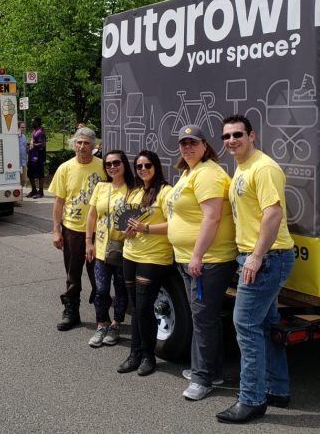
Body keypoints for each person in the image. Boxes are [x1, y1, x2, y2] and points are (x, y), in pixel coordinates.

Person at [216, 114, 295, 425]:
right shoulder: (242, 167)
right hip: (261, 257)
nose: (232, 140)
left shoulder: (263, 168)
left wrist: (256, 256)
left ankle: (251, 400)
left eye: (238, 134)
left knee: (246, 327)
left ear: (252, 136)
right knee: (265, 325)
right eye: (226, 136)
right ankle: (277, 389)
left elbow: (273, 214)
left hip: (267, 258)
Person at [165, 125, 237, 400]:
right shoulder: (189, 172)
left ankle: (202, 379)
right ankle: (212, 370)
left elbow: (212, 218)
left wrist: (196, 255)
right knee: (205, 318)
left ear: (205, 146)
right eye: (183, 143)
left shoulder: (208, 174)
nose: (187, 147)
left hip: (208, 260)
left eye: (193, 143)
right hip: (191, 259)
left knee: (203, 319)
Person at [121, 150, 172, 376]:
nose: (143, 170)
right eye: (139, 166)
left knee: (143, 308)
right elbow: (123, 223)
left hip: (153, 257)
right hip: (130, 254)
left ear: (156, 166)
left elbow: (175, 224)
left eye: (148, 166)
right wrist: (128, 231)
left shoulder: (166, 191)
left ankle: (149, 356)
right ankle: (135, 354)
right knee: (135, 308)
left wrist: (146, 228)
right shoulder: (134, 191)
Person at [48, 127, 105, 330]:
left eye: (86, 143)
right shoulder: (65, 168)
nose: (82, 147)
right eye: (78, 143)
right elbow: (59, 202)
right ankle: (71, 312)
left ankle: (103, 315)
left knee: (99, 275)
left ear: (93, 146)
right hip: (72, 229)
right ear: (74, 145)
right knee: (73, 275)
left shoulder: (103, 166)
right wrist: (56, 230)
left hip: (99, 231)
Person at [84, 150, 135, 348]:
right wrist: (88, 241)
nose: (112, 167)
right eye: (108, 164)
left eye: (116, 163)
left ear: (124, 164)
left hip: (123, 248)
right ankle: (101, 324)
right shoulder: (101, 187)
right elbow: (91, 216)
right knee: (101, 289)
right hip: (100, 248)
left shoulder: (133, 189)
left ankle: (115, 324)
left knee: (121, 289)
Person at [26, 116, 46, 198]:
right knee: (30, 174)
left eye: (33, 121)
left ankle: (40, 191)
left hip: (38, 156)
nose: (32, 123)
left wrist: (33, 145)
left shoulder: (41, 132)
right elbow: (32, 141)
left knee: (40, 174)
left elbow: (43, 144)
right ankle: (34, 190)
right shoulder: (34, 131)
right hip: (31, 156)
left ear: (37, 122)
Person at [18, 121, 28, 188]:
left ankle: (21, 189)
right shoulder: (14, 137)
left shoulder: (24, 136)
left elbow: (25, 147)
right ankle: (19, 192)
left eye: (24, 127)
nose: (24, 129)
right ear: (18, 128)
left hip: (23, 161)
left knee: (24, 179)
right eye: (22, 127)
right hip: (17, 162)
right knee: (17, 179)